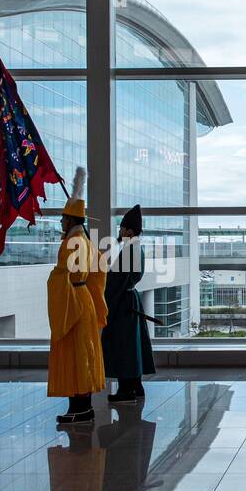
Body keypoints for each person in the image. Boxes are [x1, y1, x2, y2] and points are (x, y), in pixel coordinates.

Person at [47, 167, 108, 424]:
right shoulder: (87, 242)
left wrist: (54, 276)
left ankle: (80, 407)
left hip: (73, 301)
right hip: (84, 300)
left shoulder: (72, 243)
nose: (61, 222)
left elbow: (64, 274)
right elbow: (99, 272)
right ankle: (82, 405)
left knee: (77, 353)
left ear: (71, 221)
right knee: (84, 351)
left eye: (63, 219)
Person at [101, 204, 155, 404]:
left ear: (129, 231)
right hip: (130, 300)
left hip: (123, 303)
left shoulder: (129, 250)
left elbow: (117, 280)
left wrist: (103, 281)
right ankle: (136, 386)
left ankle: (126, 389)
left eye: (122, 228)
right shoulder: (135, 248)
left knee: (123, 346)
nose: (120, 232)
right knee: (132, 345)